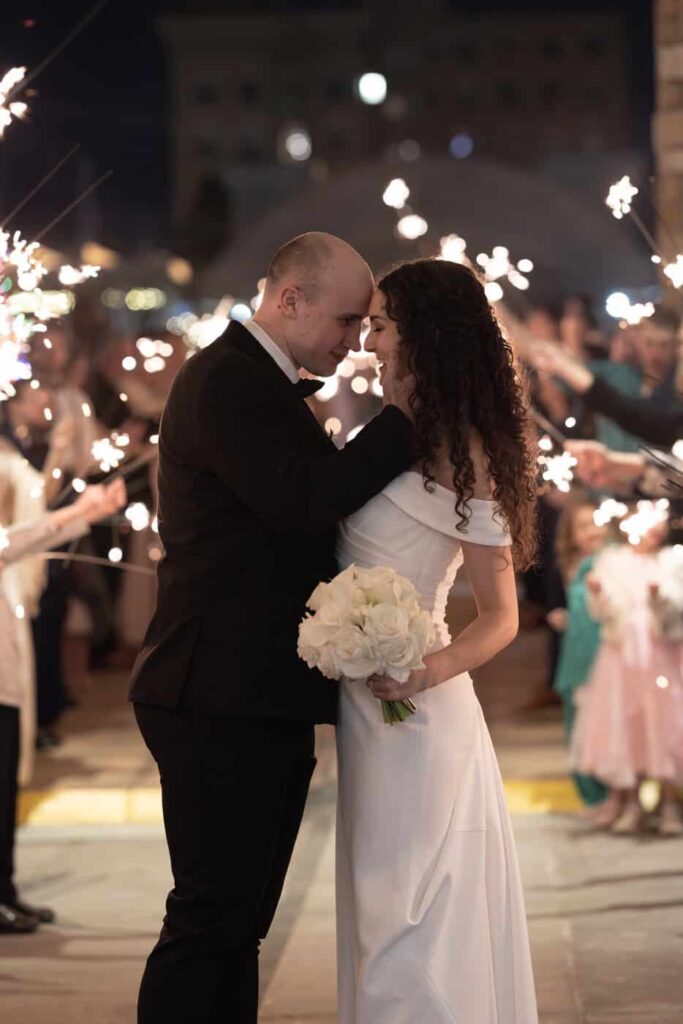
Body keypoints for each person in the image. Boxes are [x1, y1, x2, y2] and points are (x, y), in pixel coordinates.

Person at [129, 232, 416, 1024]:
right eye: (347, 320)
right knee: (210, 921)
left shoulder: (254, 378)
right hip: (215, 692)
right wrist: (404, 420)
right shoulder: (227, 379)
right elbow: (304, 501)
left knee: (237, 928)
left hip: (250, 691)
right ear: (290, 299)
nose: (354, 342)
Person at [336, 259, 538, 1023]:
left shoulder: (467, 455)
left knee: (408, 918)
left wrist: (424, 671)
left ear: (425, 334)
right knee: (376, 908)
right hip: (362, 705)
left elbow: (499, 616)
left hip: (418, 711)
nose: (370, 340)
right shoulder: (383, 432)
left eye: (382, 324)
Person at [0, 480, 125, 934]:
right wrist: (78, 512)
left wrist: (84, 513)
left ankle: (5, 890)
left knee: (5, 791)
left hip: (7, 681)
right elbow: (14, 541)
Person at [571, 505, 683, 835]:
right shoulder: (613, 561)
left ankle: (668, 803)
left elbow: (676, 608)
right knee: (625, 724)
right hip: (621, 659)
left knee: (663, 724)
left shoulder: (672, 560)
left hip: (660, 656)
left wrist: (659, 597)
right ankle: (631, 801)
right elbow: (603, 611)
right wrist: (599, 594)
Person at [547, 494, 609, 812]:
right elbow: (561, 605)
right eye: (583, 526)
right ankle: (591, 795)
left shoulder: (615, 562)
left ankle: (612, 793)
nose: (592, 531)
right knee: (577, 724)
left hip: (606, 653)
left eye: (596, 523)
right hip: (577, 652)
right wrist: (559, 615)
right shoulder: (567, 567)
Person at [528, 335, 683, 448]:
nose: (680, 352)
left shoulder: (628, 377)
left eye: (664, 345)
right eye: (679, 343)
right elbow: (632, 414)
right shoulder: (623, 374)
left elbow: (628, 412)